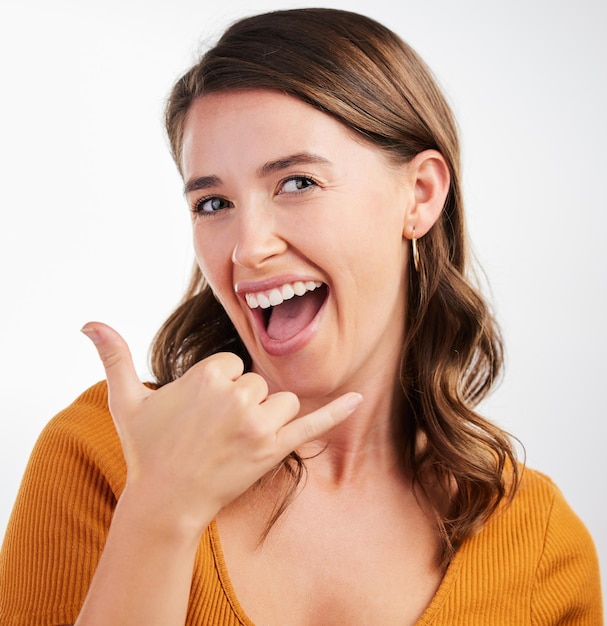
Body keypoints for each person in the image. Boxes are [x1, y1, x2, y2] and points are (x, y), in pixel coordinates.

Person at [0, 7, 602, 625]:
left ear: (420, 195)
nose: (247, 247)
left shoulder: (538, 545)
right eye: (213, 202)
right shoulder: (105, 456)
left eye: (297, 183)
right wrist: (160, 509)